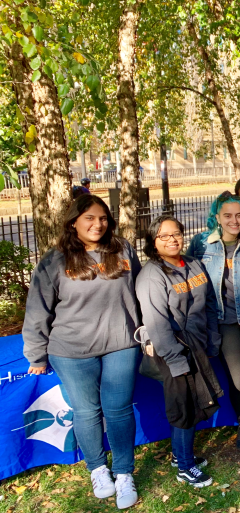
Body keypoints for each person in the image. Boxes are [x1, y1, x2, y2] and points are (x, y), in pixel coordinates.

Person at [22, 194, 142, 510]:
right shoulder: (54, 261)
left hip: (121, 343)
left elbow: (140, 290)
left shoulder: (123, 249)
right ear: (74, 221)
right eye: (89, 217)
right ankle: (98, 469)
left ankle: (124, 473)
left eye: (102, 217)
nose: (97, 224)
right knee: (87, 411)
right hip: (72, 351)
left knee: (118, 409)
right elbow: (38, 310)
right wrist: (36, 353)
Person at [187, 192, 240, 460]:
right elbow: (190, 279)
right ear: (217, 218)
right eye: (228, 216)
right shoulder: (202, 244)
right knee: (239, 379)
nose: (234, 221)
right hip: (223, 322)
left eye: (239, 215)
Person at [136, 216, 220, 488]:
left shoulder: (194, 264)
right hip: (173, 351)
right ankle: (185, 466)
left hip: (196, 346)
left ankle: (179, 455)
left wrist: (212, 340)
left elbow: (208, 304)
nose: (172, 240)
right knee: (184, 407)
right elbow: (157, 323)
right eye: (164, 236)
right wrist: (176, 360)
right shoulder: (151, 276)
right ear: (153, 242)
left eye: (177, 234)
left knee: (192, 404)